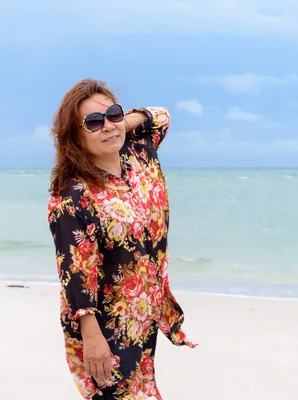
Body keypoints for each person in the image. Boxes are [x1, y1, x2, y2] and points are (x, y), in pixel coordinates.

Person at [47, 78, 196, 399]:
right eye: (93, 122)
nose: (107, 127)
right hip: (106, 323)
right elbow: (74, 271)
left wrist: (120, 124)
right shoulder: (74, 196)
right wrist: (92, 338)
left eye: (112, 114)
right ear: (75, 135)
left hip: (145, 311)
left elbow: (161, 115)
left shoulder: (140, 156)